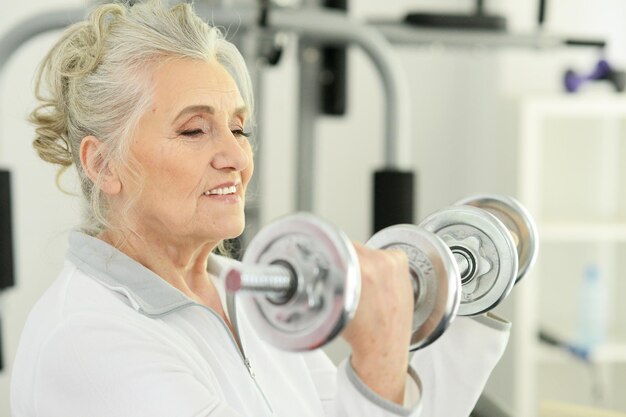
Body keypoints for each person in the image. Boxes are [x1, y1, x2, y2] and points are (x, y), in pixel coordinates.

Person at [10, 1, 510, 416]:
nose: (235, 157)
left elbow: (346, 408)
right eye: (193, 130)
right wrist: (378, 357)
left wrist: (463, 287)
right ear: (103, 165)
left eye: (239, 128)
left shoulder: (248, 294)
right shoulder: (87, 339)